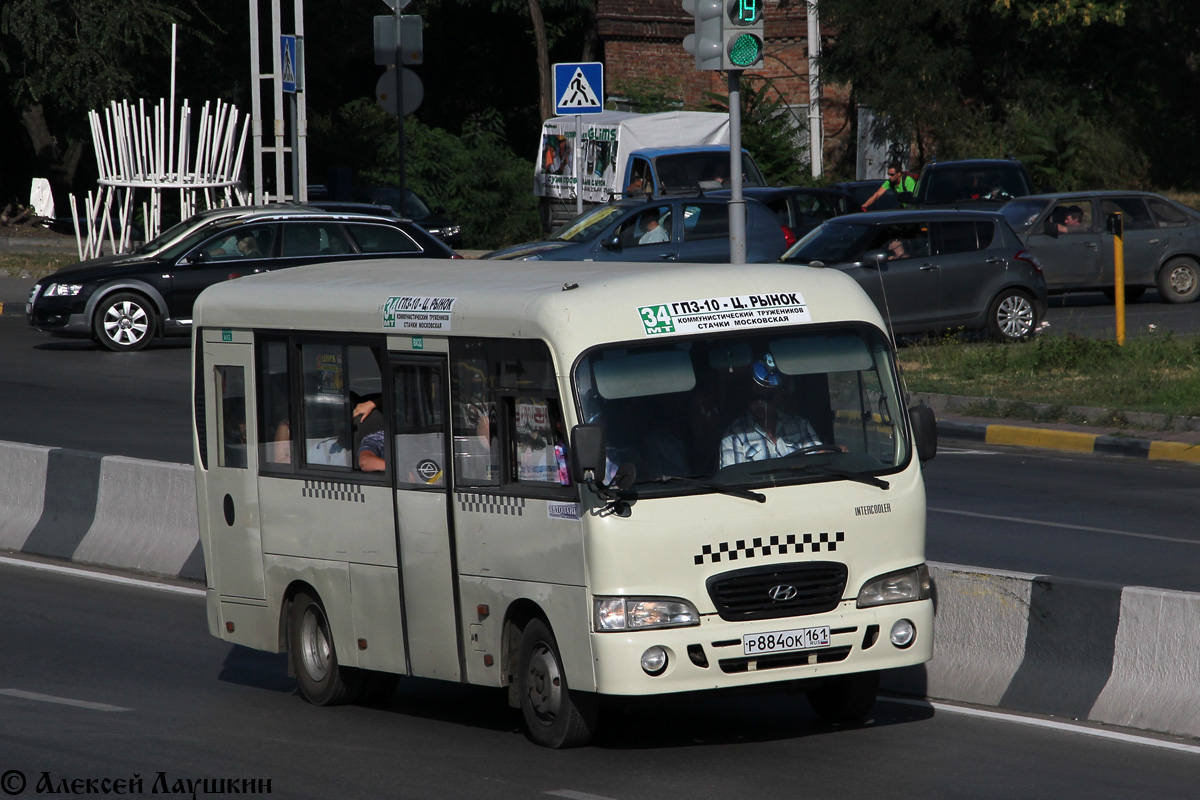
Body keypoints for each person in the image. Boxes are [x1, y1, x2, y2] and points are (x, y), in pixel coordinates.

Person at [718, 355, 826, 467]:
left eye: (766, 397)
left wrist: (833, 454)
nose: (759, 402)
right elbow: (733, 478)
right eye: (754, 397)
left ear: (777, 397)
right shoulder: (734, 435)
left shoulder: (800, 425)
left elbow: (819, 461)